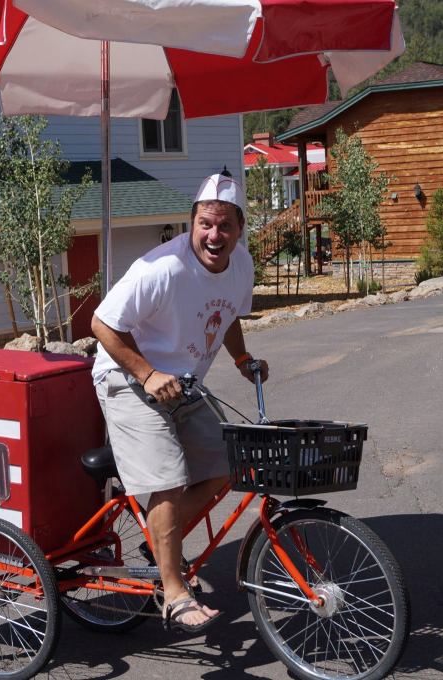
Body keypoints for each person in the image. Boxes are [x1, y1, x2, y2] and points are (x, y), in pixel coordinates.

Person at [90, 170, 268, 633]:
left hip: (182, 384)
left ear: (239, 229)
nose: (215, 235)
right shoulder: (162, 268)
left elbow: (227, 313)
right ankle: (172, 591)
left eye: (225, 226)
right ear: (192, 221)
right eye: (206, 223)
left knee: (230, 463)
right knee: (168, 481)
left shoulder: (241, 265)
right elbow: (102, 323)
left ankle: (158, 539)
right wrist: (147, 374)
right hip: (127, 378)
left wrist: (242, 356)